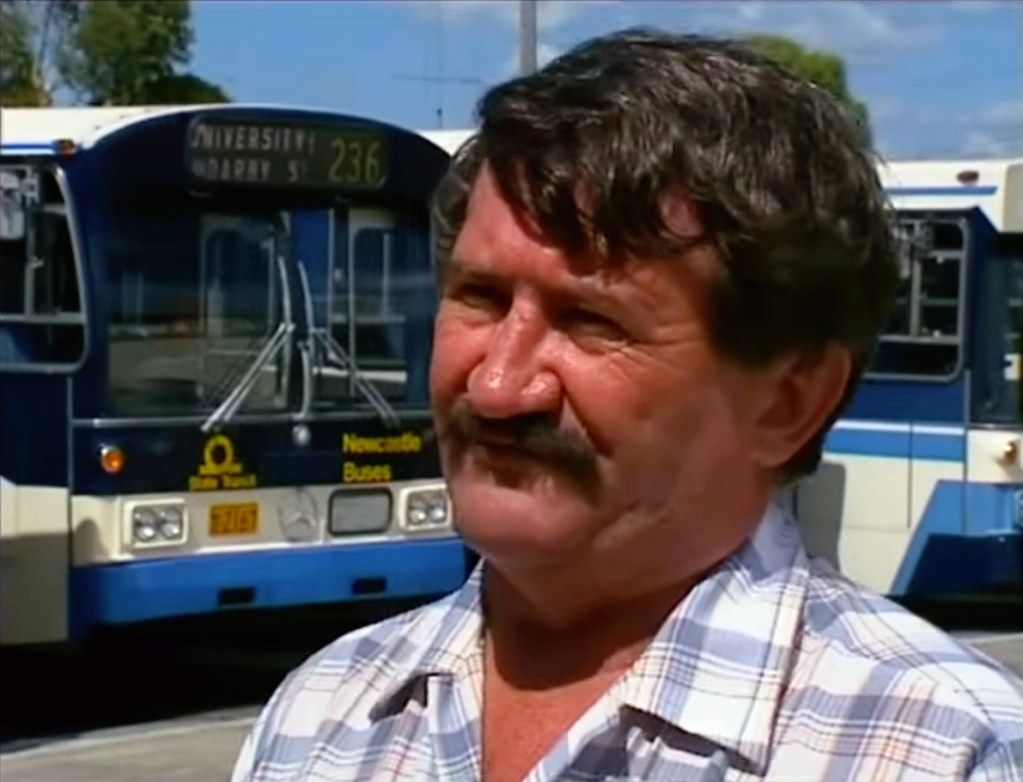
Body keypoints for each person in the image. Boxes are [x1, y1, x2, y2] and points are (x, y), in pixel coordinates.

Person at [231, 29, 1023, 782]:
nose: (497, 386)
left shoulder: (940, 748)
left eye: (591, 322)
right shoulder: (325, 710)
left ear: (786, 402)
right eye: (479, 298)